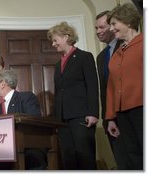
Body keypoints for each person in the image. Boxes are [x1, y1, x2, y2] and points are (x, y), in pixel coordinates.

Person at [47, 22, 99, 170]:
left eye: (55, 40)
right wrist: (57, 120)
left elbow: (92, 86)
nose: (53, 44)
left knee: (85, 157)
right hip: (63, 120)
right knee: (68, 158)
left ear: (66, 37)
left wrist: (93, 113)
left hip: (82, 116)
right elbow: (59, 92)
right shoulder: (58, 64)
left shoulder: (84, 57)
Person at [105, 3, 143, 170]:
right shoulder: (116, 54)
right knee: (132, 155)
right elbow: (111, 88)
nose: (111, 28)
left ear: (128, 21)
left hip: (142, 108)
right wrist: (111, 118)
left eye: (114, 24)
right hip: (123, 114)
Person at [0, 69, 47, 170]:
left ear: (3, 84)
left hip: (28, 146)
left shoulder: (26, 97)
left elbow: (35, 124)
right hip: (6, 150)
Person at [95, 11, 127, 169]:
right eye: (96, 28)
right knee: (120, 159)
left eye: (102, 27)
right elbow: (104, 87)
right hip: (110, 116)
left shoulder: (127, 45)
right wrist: (106, 116)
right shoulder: (100, 57)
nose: (98, 31)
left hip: (129, 111)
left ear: (112, 26)